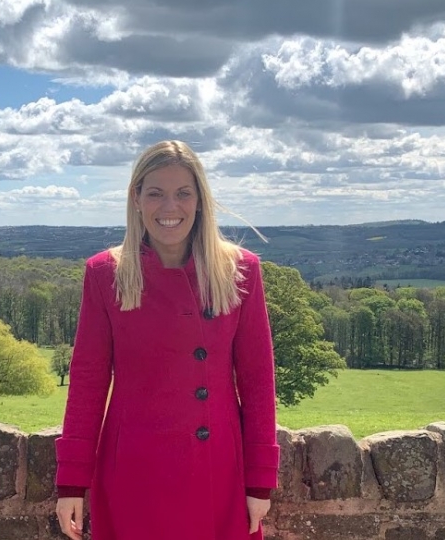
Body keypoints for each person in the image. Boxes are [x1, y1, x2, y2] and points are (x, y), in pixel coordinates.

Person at [54, 140, 279, 540]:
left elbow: (258, 379)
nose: (169, 207)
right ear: (136, 198)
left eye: (183, 193)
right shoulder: (105, 273)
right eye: (155, 193)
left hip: (217, 468)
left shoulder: (240, 271)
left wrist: (259, 482)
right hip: (133, 472)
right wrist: (71, 482)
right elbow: (88, 380)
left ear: (200, 200)